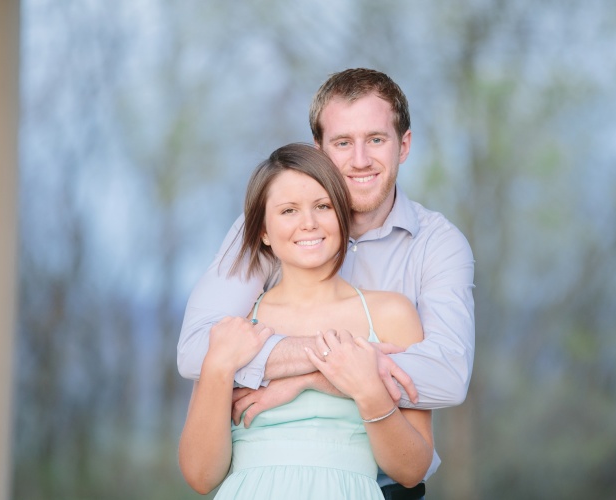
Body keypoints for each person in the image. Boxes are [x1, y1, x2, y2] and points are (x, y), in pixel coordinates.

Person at [178, 68, 475, 498]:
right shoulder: (265, 229)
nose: (359, 160)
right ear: (319, 150)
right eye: (342, 143)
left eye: (376, 139)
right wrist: (337, 357)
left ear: (403, 145)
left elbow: (447, 376)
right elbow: (198, 352)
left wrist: (314, 377)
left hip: (381, 483)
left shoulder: (437, 246)